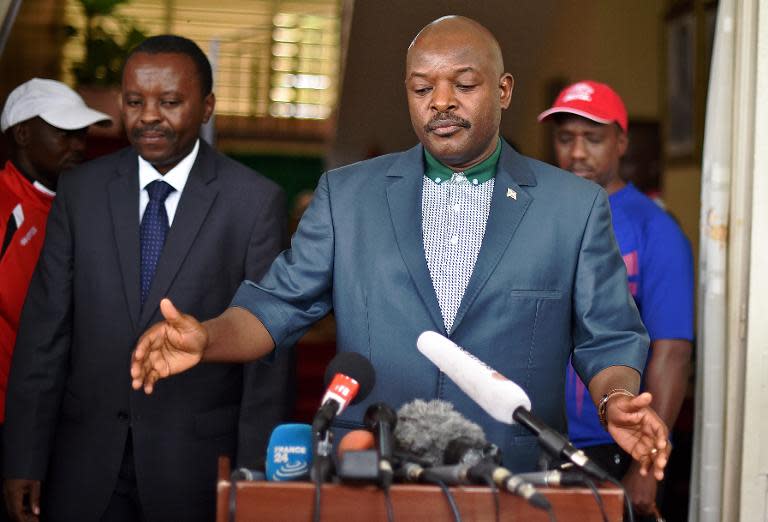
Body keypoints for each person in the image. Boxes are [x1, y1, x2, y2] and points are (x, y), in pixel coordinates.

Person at [132, 16, 671, 480]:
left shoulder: (572, 208)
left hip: (511, 474)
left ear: (503, 90)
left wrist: (616, 401)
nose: (441, 102)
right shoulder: (347, 196)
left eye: (463, 85)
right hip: (371, 466)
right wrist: (208, 337)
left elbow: (609, 338)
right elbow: (279, 306)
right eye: (422, 88)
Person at [2, 35, 293, 522]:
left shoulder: (253, 202)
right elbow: (44, 333)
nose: (149, 116)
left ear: (206, 107)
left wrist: (254, 476)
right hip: (83, 463)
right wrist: (23, 458)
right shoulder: (82, 191)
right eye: (135, 102)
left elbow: (268, 356)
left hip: (195, 464)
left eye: (170, 102)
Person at [538, 80, 693, 517]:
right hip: (533, 436)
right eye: (566, 138)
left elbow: (673, 351)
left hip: (612, 445)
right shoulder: (537, 216)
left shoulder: (656, 230)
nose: (578, 153)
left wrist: (646, 465)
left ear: (621, 141)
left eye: (593, 138)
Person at [0, 78, 111, 521]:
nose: (78, 144)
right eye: (63, 132)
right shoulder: (6, 206)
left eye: (82, 133)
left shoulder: (79, 205)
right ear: (23, 134)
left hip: (65, 417)